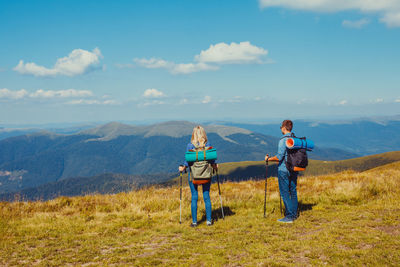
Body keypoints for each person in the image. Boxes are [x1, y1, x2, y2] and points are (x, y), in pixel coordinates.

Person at [179, 125, 218, 227]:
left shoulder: (190, 146)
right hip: (206, 174)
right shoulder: (208, 145)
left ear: (194, 134)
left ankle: (195, 222)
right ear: (203, 133)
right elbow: (211, 159)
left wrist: (183, 167)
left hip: (194, 175)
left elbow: (187, 160)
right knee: (206, 196)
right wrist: (214, 166)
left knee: (194, 197)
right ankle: (209, 221)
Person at [265, 120, 298, 223]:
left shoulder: (283, 140)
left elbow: (279, 157)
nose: (281, 129)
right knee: (292, 191)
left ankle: (289, 217)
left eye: (281, 127)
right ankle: (294, 214)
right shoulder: (294, 139)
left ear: (284, 127)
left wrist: (268, 159)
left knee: (284, 193)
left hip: (284, 169)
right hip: (294, 168)